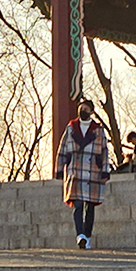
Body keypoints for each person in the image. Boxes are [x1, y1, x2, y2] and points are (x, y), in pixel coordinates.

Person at [57, 97, 111, 248]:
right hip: (75, 171)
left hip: (93, 171)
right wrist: (60, 168)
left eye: (86, 109)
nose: (83, 111)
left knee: (90, 206)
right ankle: (80, 235)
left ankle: (87, 237)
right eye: (81, 108)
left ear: (91, 111)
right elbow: (62, 148)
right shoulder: (71, 128)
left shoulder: (99, 130)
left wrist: (105, 171)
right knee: (78, 204)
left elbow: (105, 152)